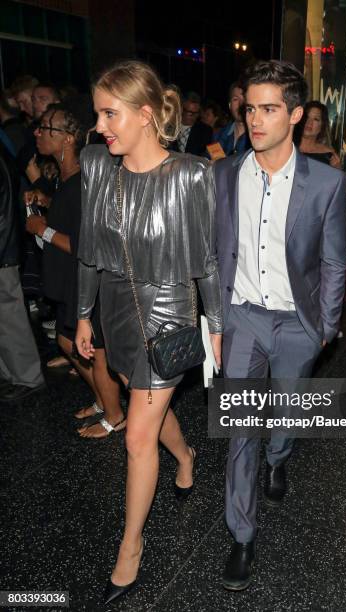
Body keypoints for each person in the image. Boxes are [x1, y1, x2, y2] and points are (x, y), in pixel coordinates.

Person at [75, 60, 222, 604]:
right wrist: (84, 314)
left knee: (138, 434)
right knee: (149, 410)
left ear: (143, 114)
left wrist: (219, 327)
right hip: (116, 308)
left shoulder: (190, 173)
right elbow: (89, 251)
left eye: (109, 113)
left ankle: (130, 547)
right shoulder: (96, 166)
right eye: (97, 113)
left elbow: (206, 260)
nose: (99, 125)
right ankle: (185, 458)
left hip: (168, 313)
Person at [214, 60, 346, 590]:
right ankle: (241, 536)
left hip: (299, 323)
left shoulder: (326, 183)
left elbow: (335, 261)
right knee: (240, 433)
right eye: (250, 108)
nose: (256, 119)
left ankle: (282, 453)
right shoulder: (223, 174)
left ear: (295, 114)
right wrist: (216, 319)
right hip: (243, 318)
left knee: (288, 409)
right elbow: (213, 253)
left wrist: (326, 327)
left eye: (269, 108)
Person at [25, 98, 124, 438]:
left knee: (97, 353)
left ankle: (115, 416)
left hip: (89, 278)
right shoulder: (66, 178)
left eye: (47, 127)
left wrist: (44, 230)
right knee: (68, 345)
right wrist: (47, 204)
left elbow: (85, 243)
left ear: (68, 138)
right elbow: (69, 211)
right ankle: (101, 401)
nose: (39, 132)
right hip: (71, 277)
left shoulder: (85, 181)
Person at [0, 141, 46, 403]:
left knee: (11, 318)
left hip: (3, 251)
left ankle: (27, 377)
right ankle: (12, 375)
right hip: (5, 248)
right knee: (6, 319)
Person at [296, 100, 341, 168]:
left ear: (322, 126)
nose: (309, 122)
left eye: (316, 119)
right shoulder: (287, 147)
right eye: (307, 117)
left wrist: (337, 168)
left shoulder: (329, 155)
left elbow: (337, 178)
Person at [170, 91, 213, 156]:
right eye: (189, 112)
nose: (192, 116)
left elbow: (217, 156)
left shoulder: (206, 131)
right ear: (181, 109)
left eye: (196, 113)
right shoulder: (170, 128)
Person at [213, 82, 249, 156]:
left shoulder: (257, 136)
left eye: (245, 98)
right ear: (230, 105)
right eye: (235, 99)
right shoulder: (218, 136)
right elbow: (212, 161)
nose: (241, 104)